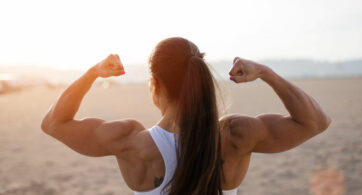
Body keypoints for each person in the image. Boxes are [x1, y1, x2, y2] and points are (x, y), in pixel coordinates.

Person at [41, 37, 331, 195]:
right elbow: (315, 121)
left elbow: (54, 123)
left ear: (155, 84)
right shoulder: (236, 135)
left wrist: (93, 73)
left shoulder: (129, 141)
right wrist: (266, 73)